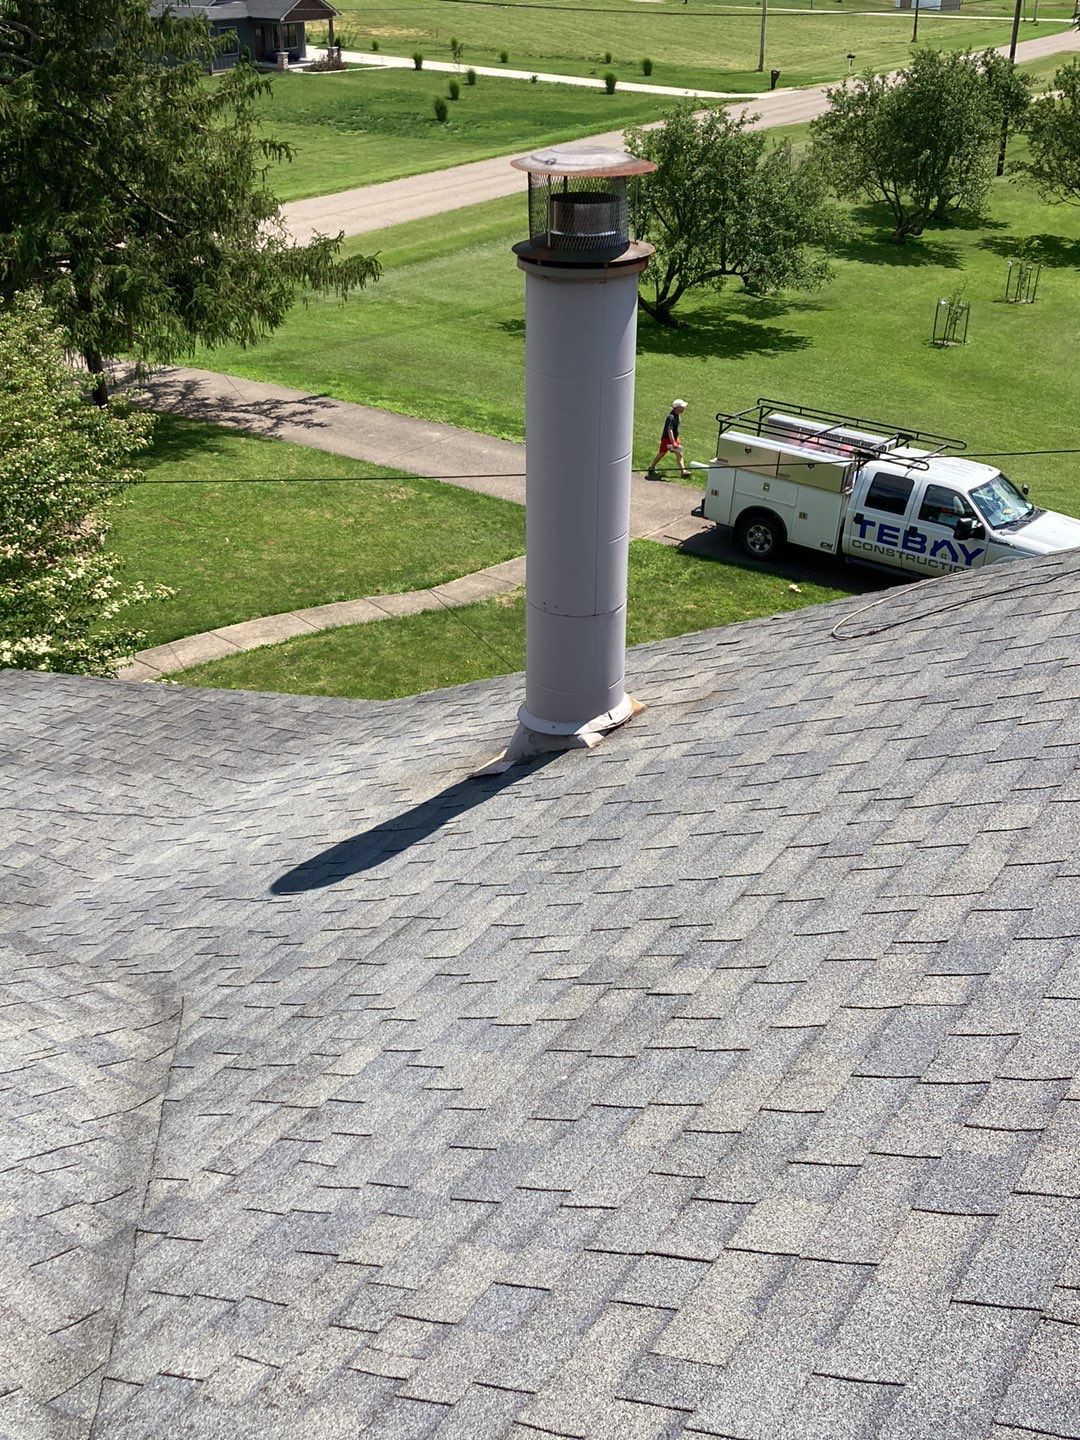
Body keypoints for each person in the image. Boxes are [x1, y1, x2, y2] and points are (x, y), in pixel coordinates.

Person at [647, 400, 689, 479]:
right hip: (667, 439)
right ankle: (651, 467)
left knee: (679, 454)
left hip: (675, 439)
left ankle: (683, 472)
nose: (684, 408)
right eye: (682, 407)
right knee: (661, 453)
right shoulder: (671, 417)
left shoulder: (678, 415)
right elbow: (669, 430)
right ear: (677, 408)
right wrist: (673, 442)